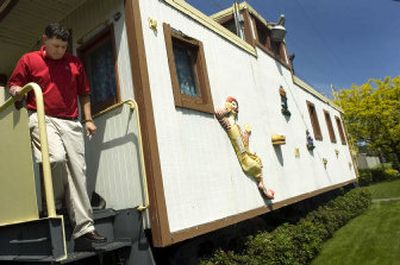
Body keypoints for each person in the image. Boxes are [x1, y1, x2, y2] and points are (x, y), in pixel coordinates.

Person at [7, 23, 106, 243]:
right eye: (55, 46)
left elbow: (85, 93)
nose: (59, 51)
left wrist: (88, 119)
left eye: (63, 46)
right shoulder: (30, 60)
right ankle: (55, 204)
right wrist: (16, 92)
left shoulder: (74, 63)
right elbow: (14, 84)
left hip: (70, 122)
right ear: (45, 40)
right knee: (56, 158)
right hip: (41, 117)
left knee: (78, 172)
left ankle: (85, 227)